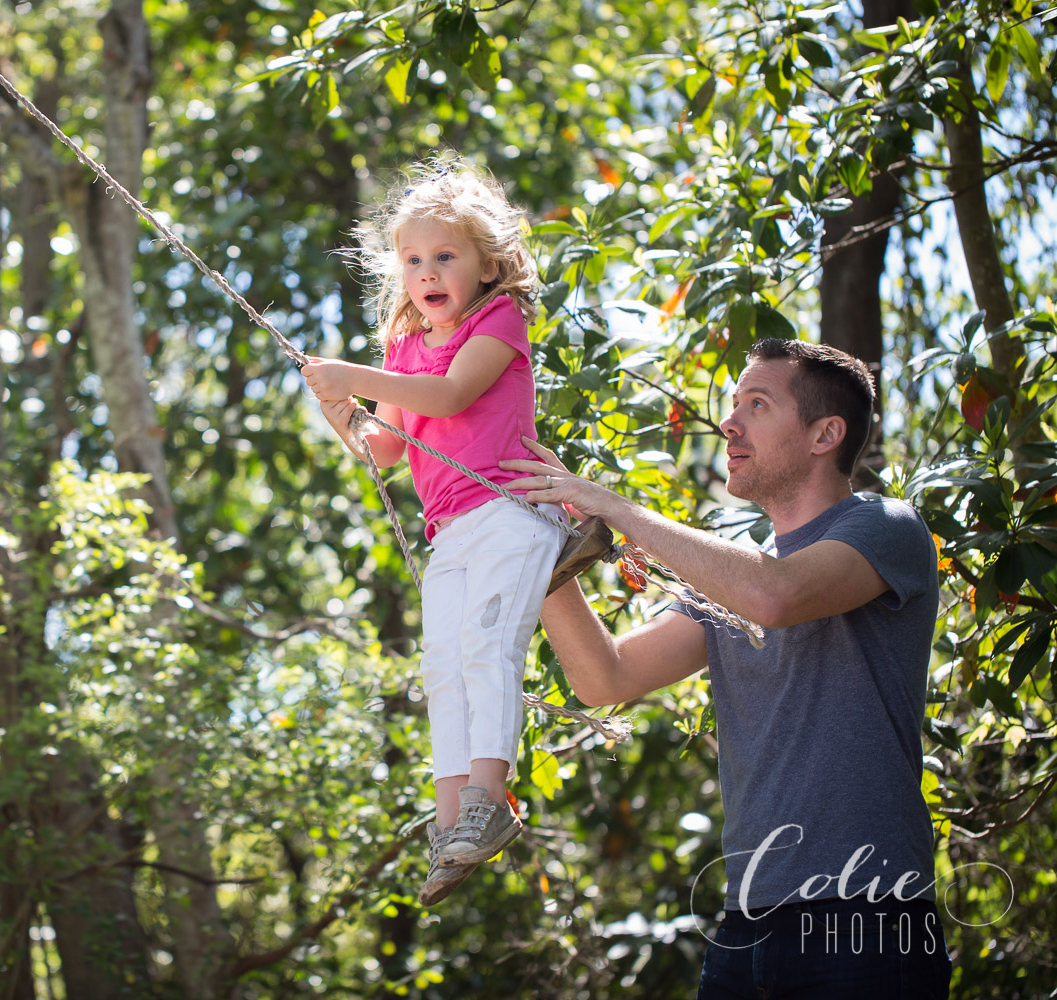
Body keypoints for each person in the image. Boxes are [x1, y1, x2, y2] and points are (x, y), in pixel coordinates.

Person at [500, 338, 952, 998]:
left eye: (758, 404)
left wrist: (617, 508)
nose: (729, 423)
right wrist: (540, 543)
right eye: (734, 402)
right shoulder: (731, 576)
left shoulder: (885, 527)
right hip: (746, 924)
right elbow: (607, 677)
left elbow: (778, 595)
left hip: (868, 920)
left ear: (827, 433)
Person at [302, 161, 568, 906]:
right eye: (414, 260)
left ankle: (489, 800)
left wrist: (354, 376)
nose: (428, 272)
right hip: (450, 529)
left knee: (488, 648)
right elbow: (382, 449)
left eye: (445, 255)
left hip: (510, 510)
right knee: (442, 670)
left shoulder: (498, 321)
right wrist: (340, 408)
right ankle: (454, 821)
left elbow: (452, 395)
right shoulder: (404, 350)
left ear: (487, 263)